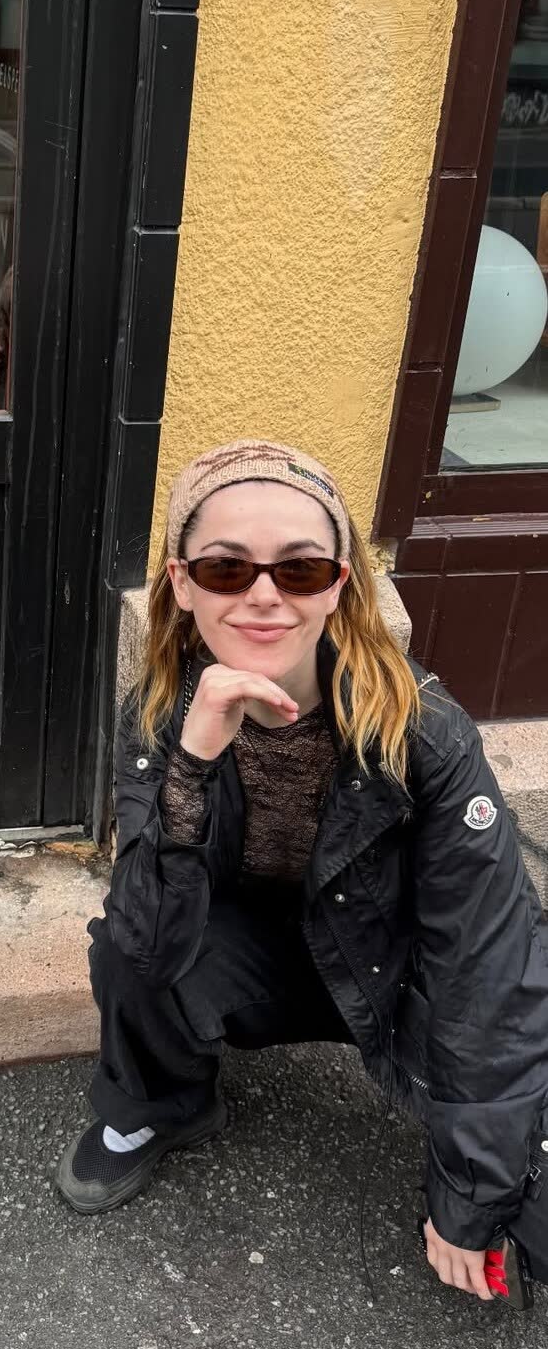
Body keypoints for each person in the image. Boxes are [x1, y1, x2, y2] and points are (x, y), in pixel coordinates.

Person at [57, 438, 548, 1301]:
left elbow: (487, 964)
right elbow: (145, 940)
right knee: (121, 942)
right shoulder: (162, 714)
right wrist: (191, 764)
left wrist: (468, 1193)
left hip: (396, 966)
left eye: (299, 568)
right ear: (180, 583)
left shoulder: (423, 731)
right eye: (224, 567)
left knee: (523, 1208)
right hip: (254, 952)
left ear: (337, 585)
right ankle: (164, 1103)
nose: (262, 595)